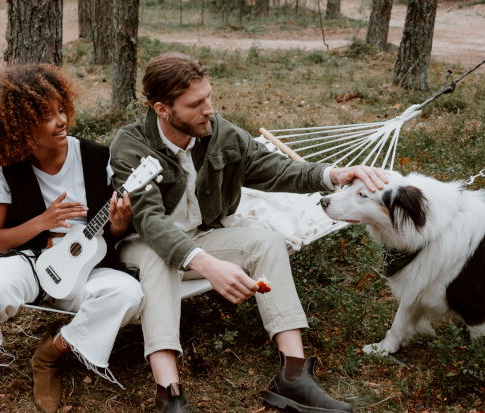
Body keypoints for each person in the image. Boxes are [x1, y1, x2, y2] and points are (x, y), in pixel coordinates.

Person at [110, 52, 389, 413]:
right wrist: (208, 265)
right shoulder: (131, 145)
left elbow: (274, 169)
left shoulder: (219, 133)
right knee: (160, 255)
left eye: (208, 96)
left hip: (202, 236)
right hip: (141, 246)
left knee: (267, 242)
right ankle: (170, 394)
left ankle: (293, 377)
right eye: (196, 103)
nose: (209, 108)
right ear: (162, 109)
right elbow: (150, 222)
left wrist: (334, 175)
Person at [0, 64, 144, 413]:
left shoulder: (97, 157)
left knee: (127, 294)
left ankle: (50, 354)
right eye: (46, 117)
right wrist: (43, 221)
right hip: (30, 261)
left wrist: (119, 223)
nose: (61, 120)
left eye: (60, 109)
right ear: (19, 127)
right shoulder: (5, 167)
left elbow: (111, 233)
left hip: (85, 267)